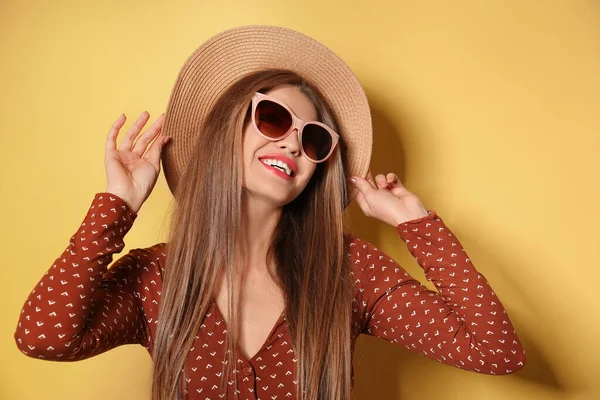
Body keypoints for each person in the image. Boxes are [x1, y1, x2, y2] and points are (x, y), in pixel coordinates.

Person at [14, 25, 526, 400]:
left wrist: (417, 226)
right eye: (274, 118)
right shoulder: (157, 277)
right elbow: (42, 337)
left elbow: (495, 351)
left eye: (315, 139)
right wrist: (117, 206)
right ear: (227, 129)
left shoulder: (349, 271)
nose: (294, 145)